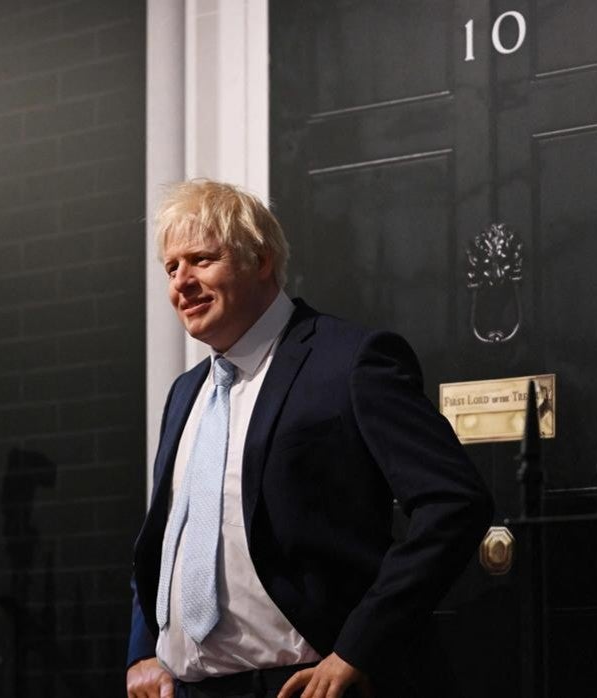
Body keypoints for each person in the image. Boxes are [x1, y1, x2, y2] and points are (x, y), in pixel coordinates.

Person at [126, 179, 492, 698]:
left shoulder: (350, 361)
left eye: (201, 260)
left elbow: (455, 503)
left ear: (261, 261)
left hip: (304, 685)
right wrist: (144, 649)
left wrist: (357, 649)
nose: (180, 282)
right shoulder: (186, 393)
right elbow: (165, 537)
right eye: (170, 267)